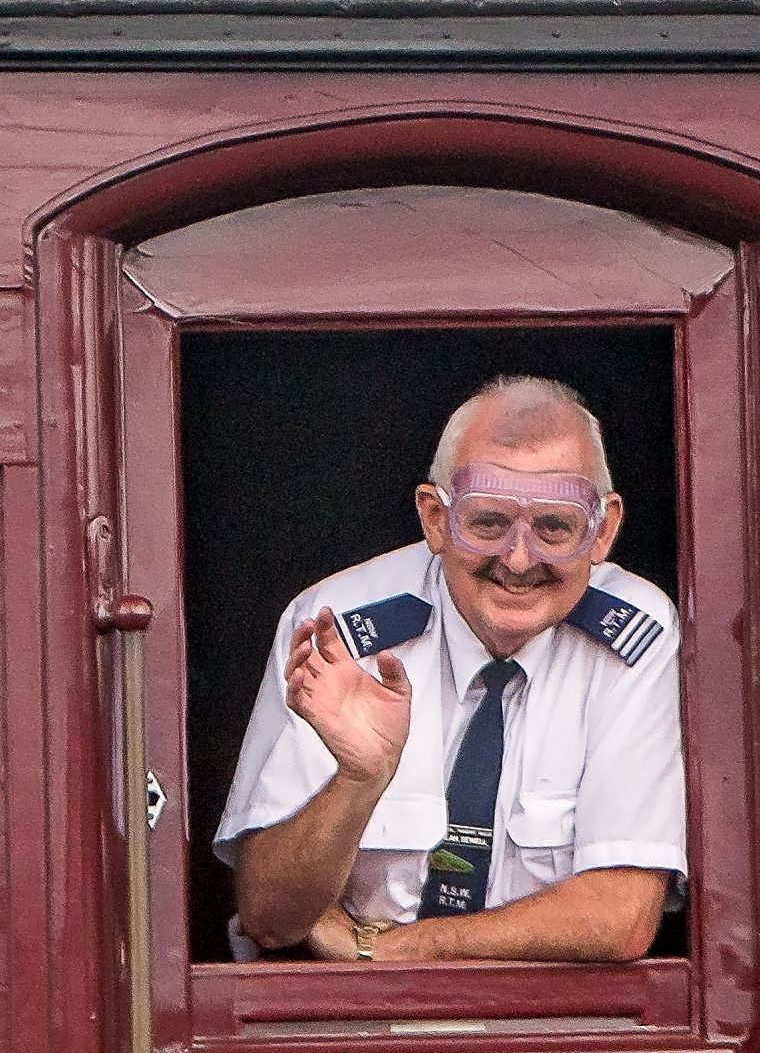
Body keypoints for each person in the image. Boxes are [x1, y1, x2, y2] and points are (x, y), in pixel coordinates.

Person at [213, 375, 685, 962]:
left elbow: (621, 914)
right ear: (435, 519)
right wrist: (357, 782)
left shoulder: (636, 637)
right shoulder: (338, 625)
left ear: (603, 531)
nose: (518, 560)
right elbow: (269, 917)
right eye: (487, 523)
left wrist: (388, 950)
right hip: (351, 1027)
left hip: (548, 1027)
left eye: (554, 527)